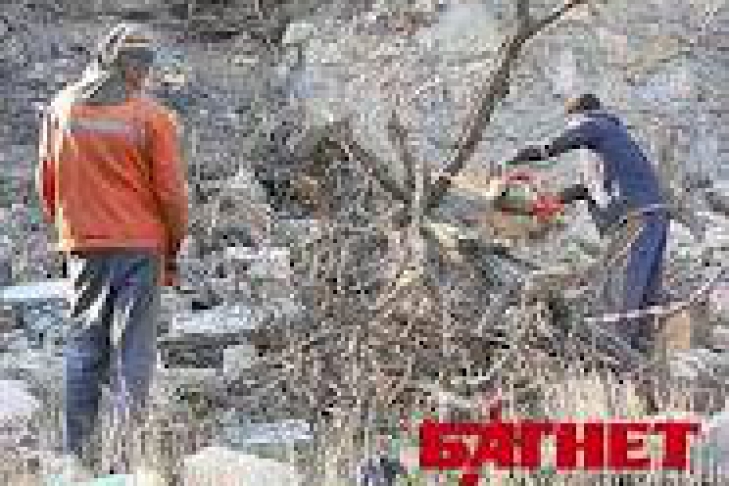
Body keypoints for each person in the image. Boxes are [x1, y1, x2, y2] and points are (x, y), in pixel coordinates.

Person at [36, 23, 189, 481]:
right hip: (141, 249)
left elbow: (46, 181)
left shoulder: (62, 108)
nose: (145, 71)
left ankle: (78, 458)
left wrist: (69, 232)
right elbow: (172, 197)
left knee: (85, 347)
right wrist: (172, 249)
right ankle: (122, 463)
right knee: (132, 355)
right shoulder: (152, 119)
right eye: (143, 63)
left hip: (84, 247)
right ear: (134, 67)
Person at [506, 94, 669, 362]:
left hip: (635, 214)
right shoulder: (613, 140)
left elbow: (556, 145)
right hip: (656, 212)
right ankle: (643, 354)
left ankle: (620, 356)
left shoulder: (596, 125)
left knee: (622, 286)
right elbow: (587, 189)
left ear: (580, 116)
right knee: (646, 291)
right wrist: (554, 200)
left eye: (573, 122)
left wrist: (523, 155)